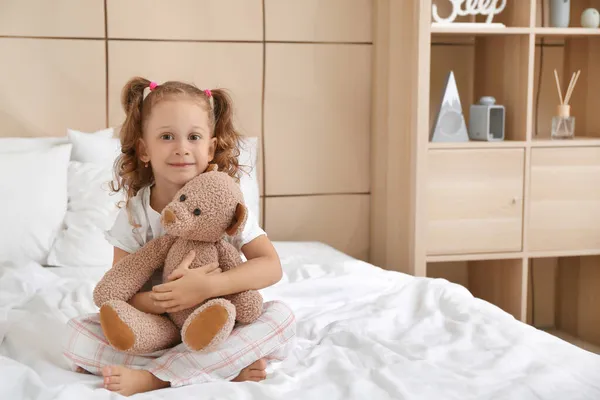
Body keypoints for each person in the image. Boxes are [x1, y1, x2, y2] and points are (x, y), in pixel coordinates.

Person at [62, 77, 296, 397]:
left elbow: (271, 266)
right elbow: (120, 290)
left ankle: (157, 378)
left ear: (210, 147)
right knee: (75, 335)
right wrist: (168, 299)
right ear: (144, 149)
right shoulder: (135, 214)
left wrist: (207, 288)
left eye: (194, 137)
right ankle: (220, 367)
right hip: (156, 327)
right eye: (167, 136)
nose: (182, 148)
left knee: (281, 318)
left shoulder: (226, 205)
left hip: (217, 324)